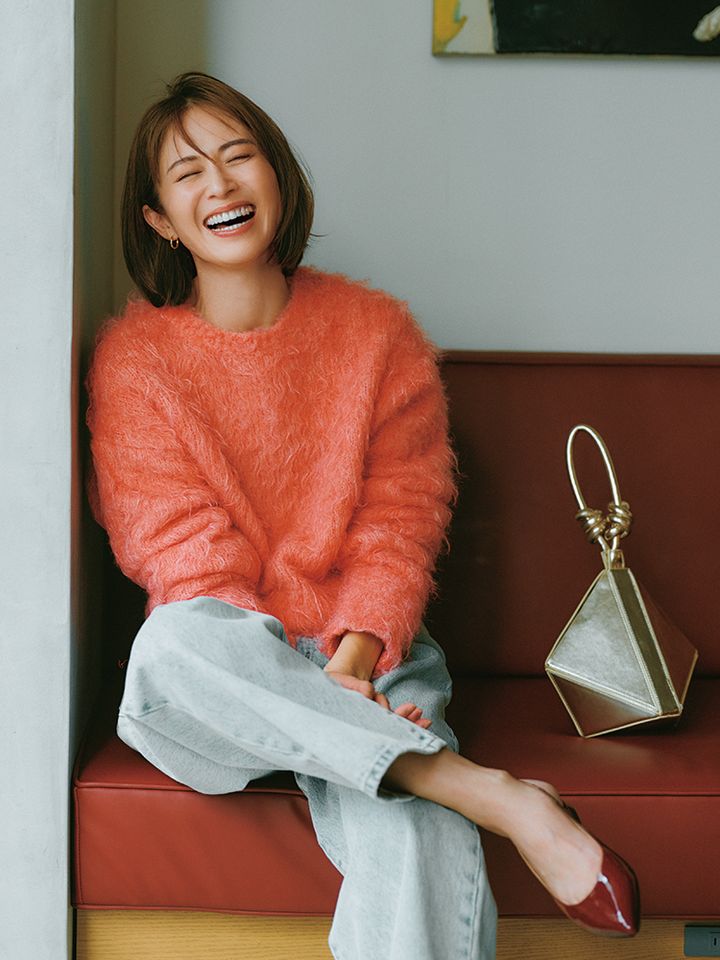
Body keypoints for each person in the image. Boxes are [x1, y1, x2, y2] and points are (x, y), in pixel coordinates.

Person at [86, 71, 639, 960]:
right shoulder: (135, 361)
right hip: (232, 674)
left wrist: (350, 665)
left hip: (372, 657)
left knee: (414, 832)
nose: (220, 185)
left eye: (239, 157)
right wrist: (300, 685)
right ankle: (491, 793)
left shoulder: (378, 334)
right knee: (168, 649)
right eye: (188, 174)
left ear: (277, 177)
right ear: (159, 219)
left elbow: (398, 529)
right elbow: (183, 558)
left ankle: (425, 782)